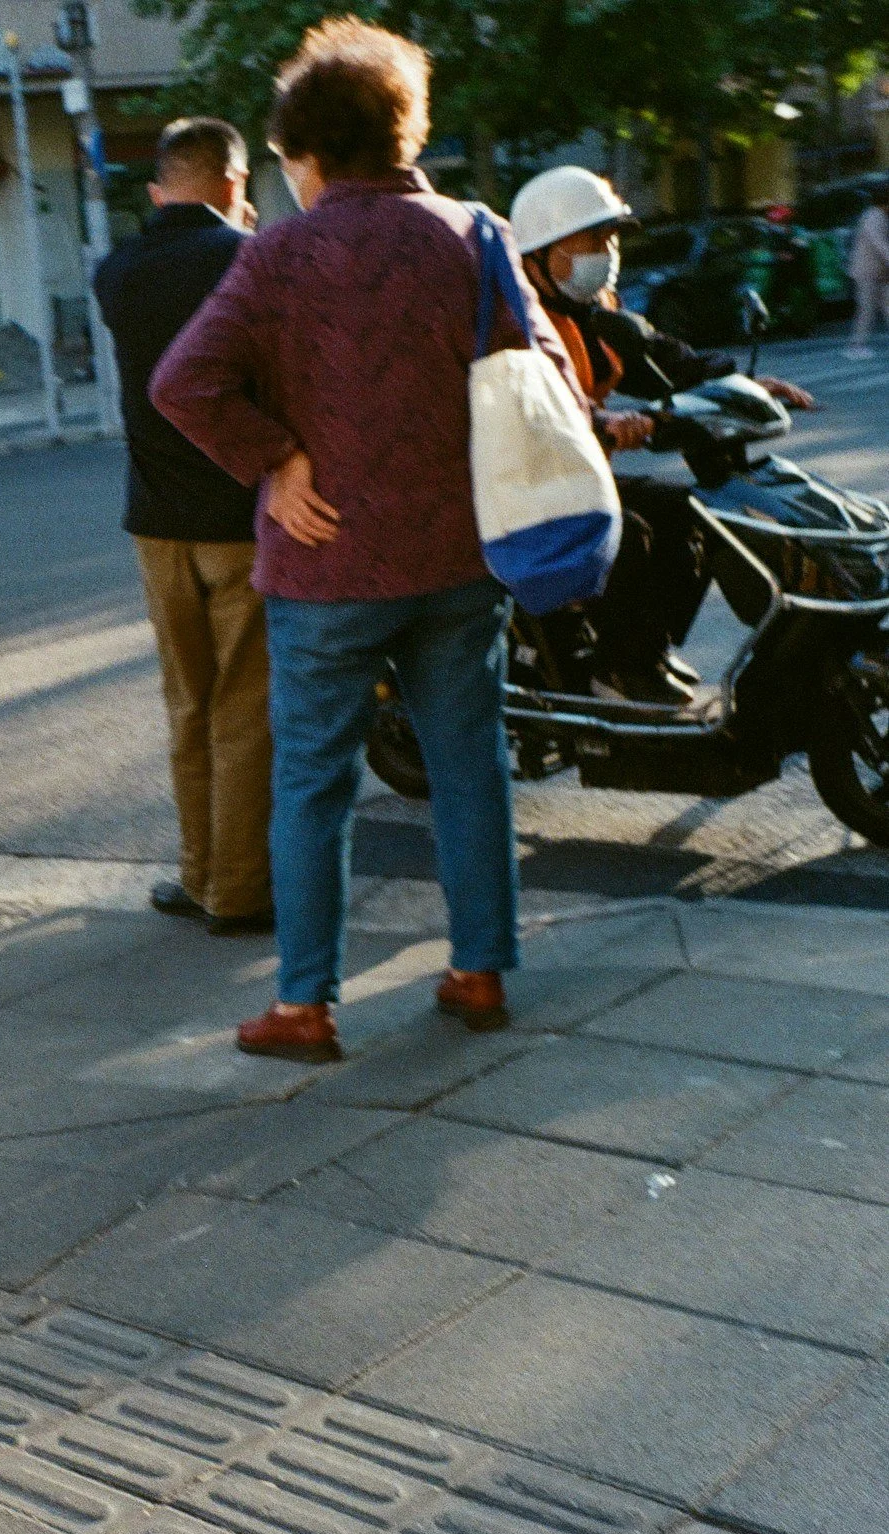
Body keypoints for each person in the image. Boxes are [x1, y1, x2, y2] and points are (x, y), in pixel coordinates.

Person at [152, 17, 583, 1061]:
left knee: (312, 782)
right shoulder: (473, 234)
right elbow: (547, 378)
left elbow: (182, 382)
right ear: (403, 131)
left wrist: (276, 460)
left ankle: (305, 1003)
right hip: (458, 556)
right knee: (470, 763)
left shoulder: (280, 252)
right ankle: (478, 970)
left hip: (326, 563)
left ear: (306, 154)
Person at [508, 165, 817, 704]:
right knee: (627, 532)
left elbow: (664, 357)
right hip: (522, 484)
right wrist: (602, 424)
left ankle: (640, 653)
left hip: (577, 471)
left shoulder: (596, 309)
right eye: (588, 239)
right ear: (539, 253)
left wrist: (741, 384)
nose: (603, 252)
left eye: (608, 238)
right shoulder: (516, 321)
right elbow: (530, 406)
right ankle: (617, 672)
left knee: (694, 513)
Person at [93, 115, 273, 938]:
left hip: (155, 521)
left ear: (163, 185)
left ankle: (197, 874)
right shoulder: (249, 260)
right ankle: (239, 892)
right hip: (239, 517)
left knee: (188, 704)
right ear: (234, 183)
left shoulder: (117, 274)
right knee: (244, 707)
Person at [851, 183, 889, 361]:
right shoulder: (873, 217)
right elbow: (879, 244)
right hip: (867, 272)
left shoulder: (879, 216)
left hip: (878, 272)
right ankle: (856, 346)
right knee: (866, 309)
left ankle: (857, 345)